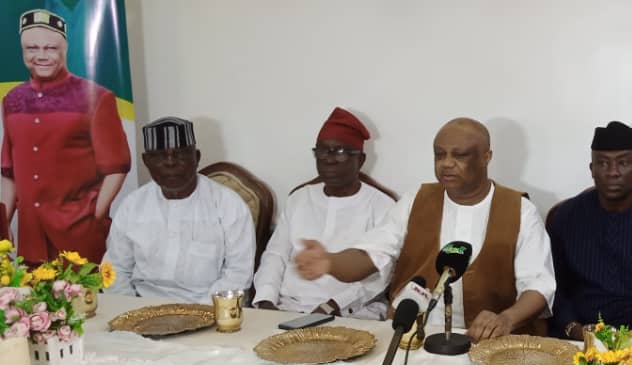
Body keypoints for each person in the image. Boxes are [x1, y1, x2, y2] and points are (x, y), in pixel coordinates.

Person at [294, 117, 554, 341]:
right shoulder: (416, 201)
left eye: (459, 155)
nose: (447, 163)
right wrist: (330, 262)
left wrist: (506, 319)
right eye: (439, 155)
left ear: (487, 157)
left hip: (490, 342)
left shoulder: (519, 210)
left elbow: (538, 285)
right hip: (415, 337)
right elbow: (370, 255)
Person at [1, 9, 131, 264]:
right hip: (31, 239)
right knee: (31, 293)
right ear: (22, 51)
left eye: (50, 48)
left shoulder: (97, 97)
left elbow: (117, 167)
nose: (41, 56)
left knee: (86, 293)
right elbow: (9, 171)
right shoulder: (12, 100)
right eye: (32, 48)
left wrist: (94, 216)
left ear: (65, 49)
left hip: (80, 240)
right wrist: (3, 226)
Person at [253, 108, 395, 318]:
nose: (329, 159)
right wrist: (266, 300)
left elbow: (379, 274)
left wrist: (332, 306)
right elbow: (275, 255)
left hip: (350, 312)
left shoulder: (382, 206)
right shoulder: (299, 199)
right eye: (322, 151)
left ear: (361, 159)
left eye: (340, 152)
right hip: (287, 307)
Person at [548, 121, 632, 339]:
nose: (612, 173)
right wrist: (574, 329)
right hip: (576, 337)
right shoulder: (565, 216)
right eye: (603, 163)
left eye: (623, 163)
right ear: (592, 169)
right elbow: (553, 284)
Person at [104, 117, 254, 304]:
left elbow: (238, 275)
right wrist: (130, 308)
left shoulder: (229, 205)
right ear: (146, 161)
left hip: (206, 309)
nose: (170, 162)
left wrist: (195, 314)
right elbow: (114, 268)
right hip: (140, 306)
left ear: (196, 157)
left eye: (180, 154)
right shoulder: (132, 206)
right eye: (160, 156)